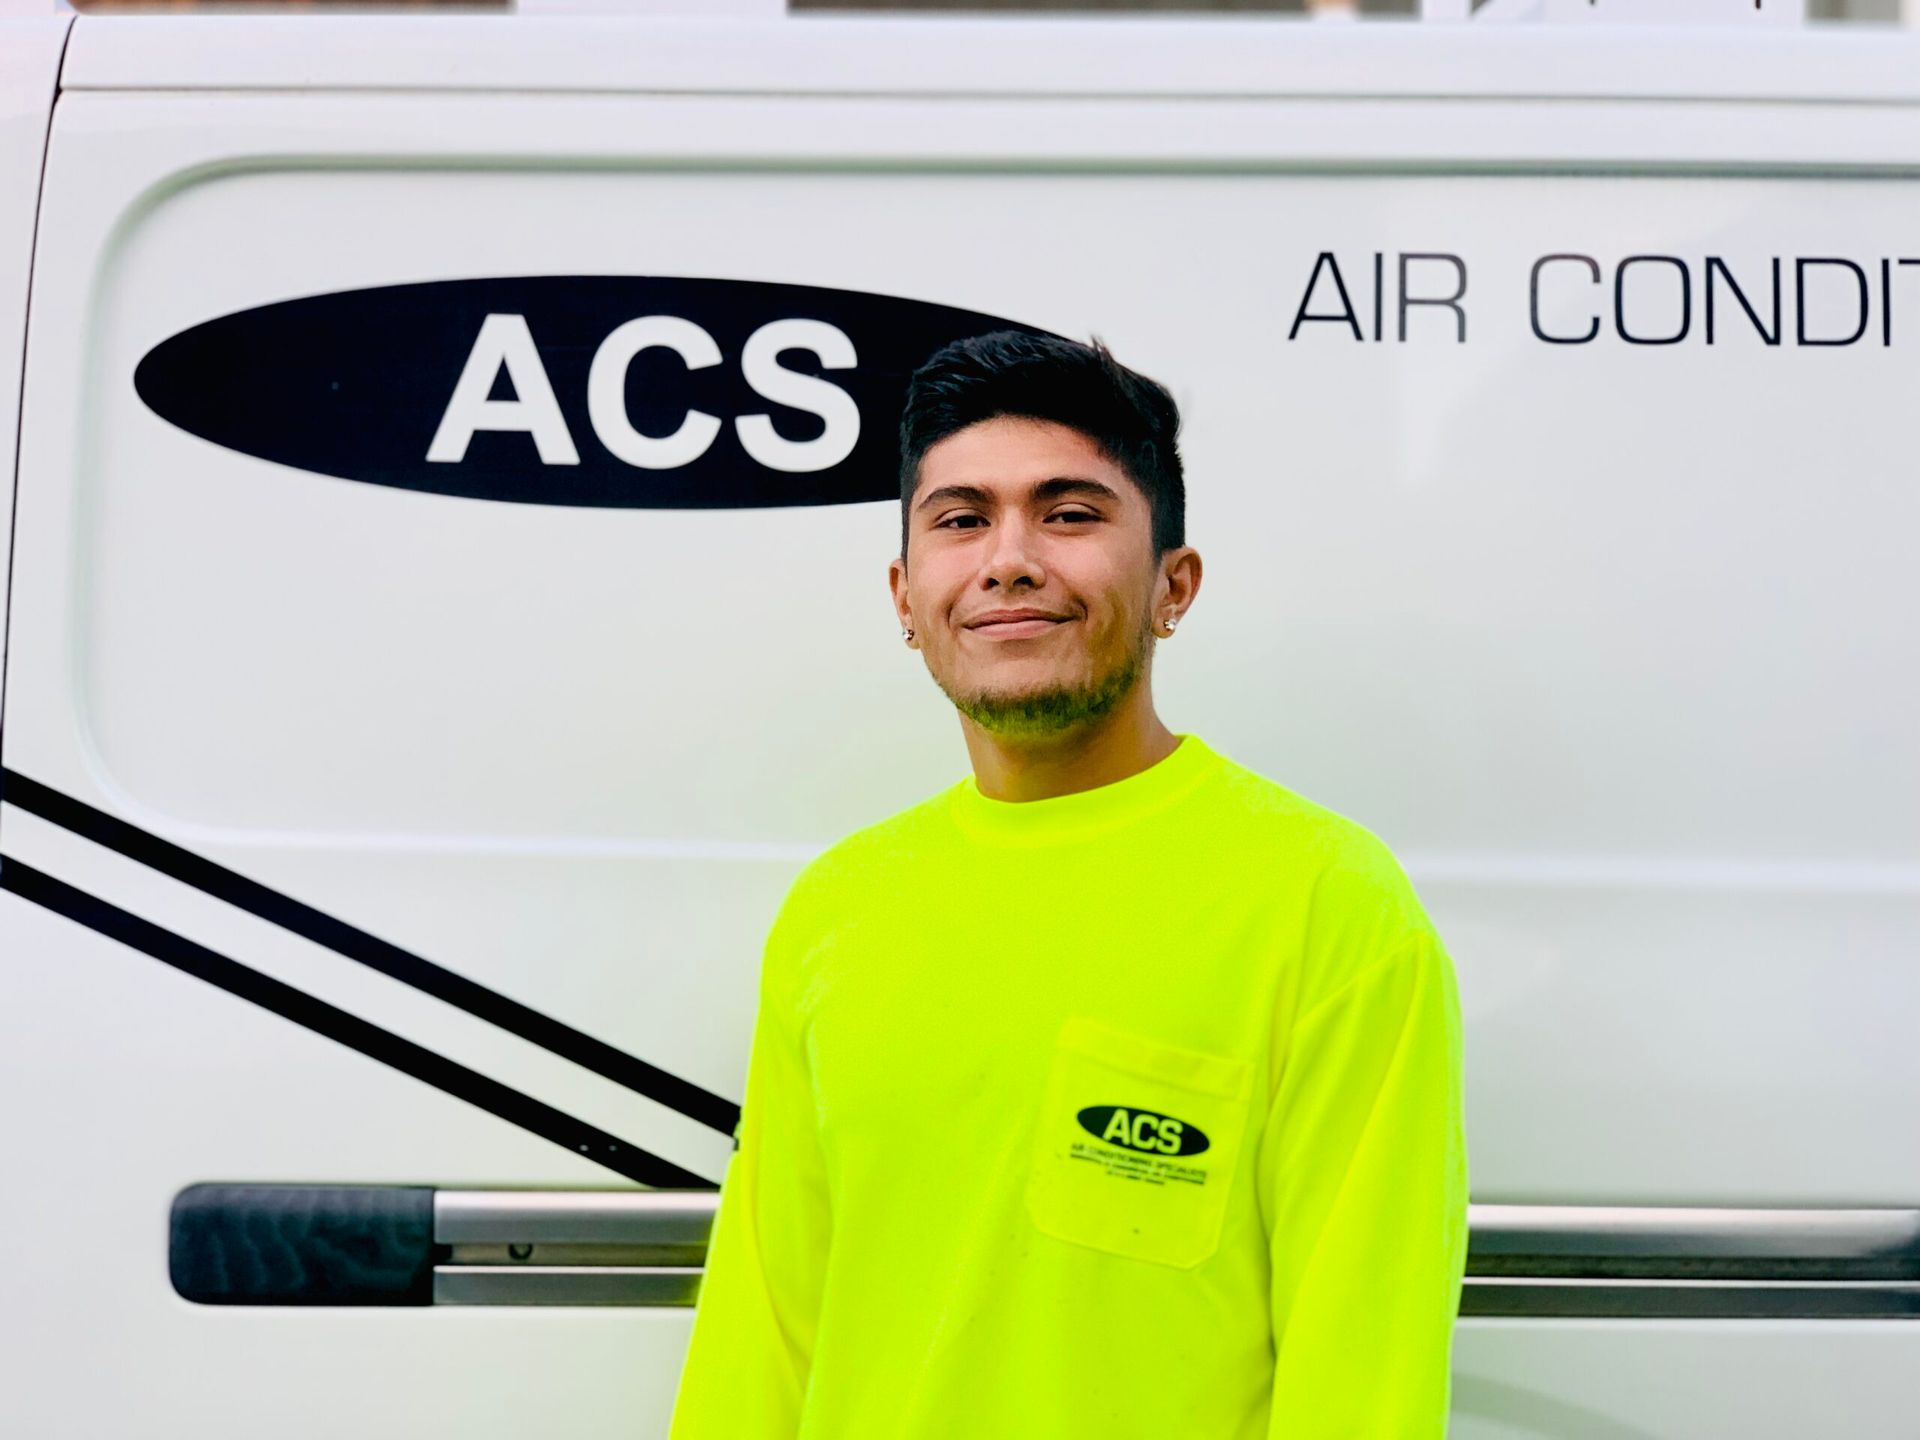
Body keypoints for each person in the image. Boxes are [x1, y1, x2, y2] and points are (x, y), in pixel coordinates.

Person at [666, 330, 1470, 1440]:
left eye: (1071, 513)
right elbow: (763, 1332)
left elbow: (1363, 1375)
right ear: (906, 596)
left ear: (1171, 586)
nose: (1008, 559)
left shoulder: (1327, 906)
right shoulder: (837, 909)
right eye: (960, 519)